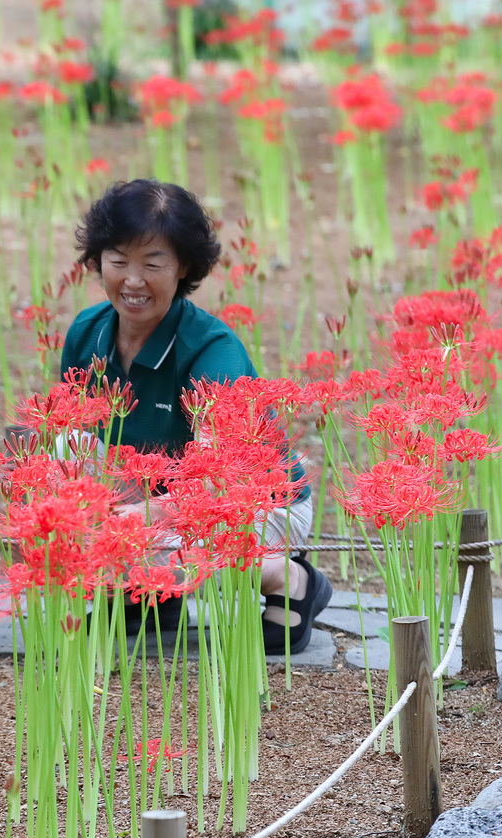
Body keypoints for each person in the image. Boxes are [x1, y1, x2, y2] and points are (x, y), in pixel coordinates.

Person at [60, 178, 331, 653]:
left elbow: (215, 486)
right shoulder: (87, 333)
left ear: (183, 266)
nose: (133, 281)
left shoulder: (211, 350)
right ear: (98, 260)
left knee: (197, 543)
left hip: (256, 503)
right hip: (151, 495)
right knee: (64, 451)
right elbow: (77, 445)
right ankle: (148, 592)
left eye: (153, 263)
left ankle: (288, 577)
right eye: (118, 261)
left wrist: (124, 523)